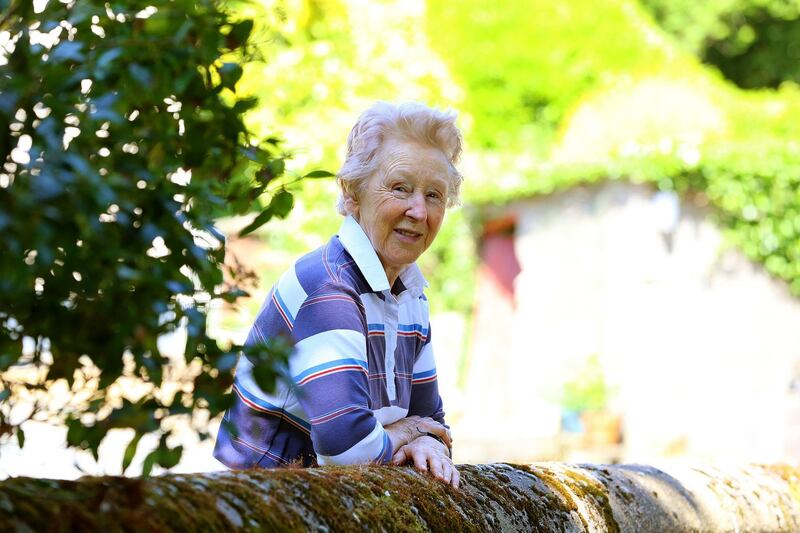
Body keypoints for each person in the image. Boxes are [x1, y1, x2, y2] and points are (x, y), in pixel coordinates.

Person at [214, 101, 463, 488]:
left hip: (336, 500)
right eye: (401, 188)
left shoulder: (410, 292)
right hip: (264, 502)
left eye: (434, 195)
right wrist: (409, 430)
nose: (418, 210)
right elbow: (346, 449)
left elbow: (432, 421)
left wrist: (427, 440)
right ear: (352, 194)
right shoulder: (329, 288)